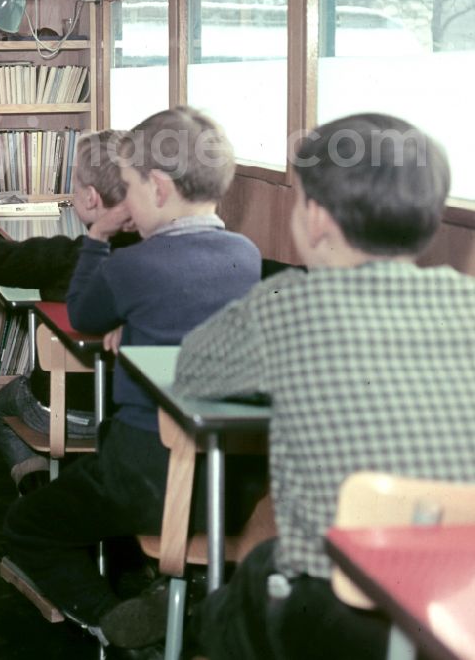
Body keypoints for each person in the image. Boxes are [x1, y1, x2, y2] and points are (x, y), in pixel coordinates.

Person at [172, 112, 475, 660]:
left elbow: (194, 369)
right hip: (457, 604)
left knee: (243, 589)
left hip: (335, 607)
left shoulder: (289, 304)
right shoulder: (468, 300)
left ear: (315, 217)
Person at [3, 106, 263, 652]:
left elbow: (87, 313)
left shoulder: (132, 265)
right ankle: (179, 595)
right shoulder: (246, 255)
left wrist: (98, 235)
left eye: (130, 189)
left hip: (144, 473)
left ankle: (110, 618)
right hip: (229, 485)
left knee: (31, 523)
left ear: (160, 189)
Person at [0, 127, 134, 494]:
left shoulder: (64, 257)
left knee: (2, 408)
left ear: (91, 199)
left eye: (75, 184)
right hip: (135, 416)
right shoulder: (162, 255)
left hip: (65, 416)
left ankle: (33, 478)